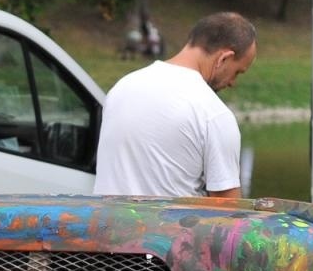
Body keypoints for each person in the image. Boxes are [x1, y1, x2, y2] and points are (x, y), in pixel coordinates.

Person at [93, 12, 257, 199]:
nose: (233, 83)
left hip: (107, 226)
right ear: (224, 59)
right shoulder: (213, 114)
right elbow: (229, 212)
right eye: (237, 72)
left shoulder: (122, 88)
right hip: (168, 228)